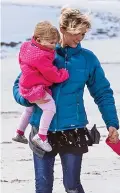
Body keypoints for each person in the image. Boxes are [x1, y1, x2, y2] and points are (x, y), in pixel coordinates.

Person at [13, 7, 119, 193]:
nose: (79, 39)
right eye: (76, 34)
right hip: (42, 131)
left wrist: (111, 122)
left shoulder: (87, 59)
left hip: (73, 129)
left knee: (72, 184)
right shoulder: (42, 54)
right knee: (42, 185)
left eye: (83, 34)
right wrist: (26, 99)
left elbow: (102, 92)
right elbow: (19, 85)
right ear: (62, 30)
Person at [12, 21, 69, 152]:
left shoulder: (26, 46)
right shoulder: (42, 56)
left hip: (25, 85)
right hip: (35, 88)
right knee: (50, 108)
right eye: (51, 42)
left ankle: (19, 132)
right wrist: (63, 74)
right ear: (38, 39)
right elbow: (52, 74)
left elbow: (21, 61)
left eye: (55, 42)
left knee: (29, 110)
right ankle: (41, 136)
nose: (54, 46)